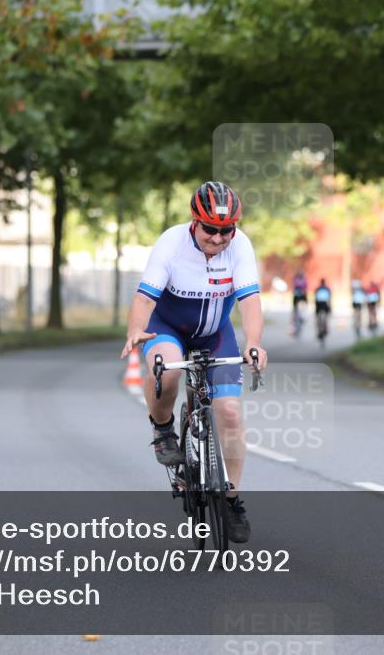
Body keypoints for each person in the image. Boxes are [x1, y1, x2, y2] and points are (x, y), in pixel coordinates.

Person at [120, 181, 267, 543]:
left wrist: (254, 343)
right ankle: (163, 428)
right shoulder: (172, 243)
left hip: (215, 333)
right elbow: (145, 298)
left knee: (229, 413)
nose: (218, 238)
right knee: (167, 372)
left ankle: (231, 502)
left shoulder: (240, 246)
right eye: (210, 229)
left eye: (226, 230)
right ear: (194, 222)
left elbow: (249, 301)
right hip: (167, 328)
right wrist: (136, 329)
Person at [314, 278, 331, 346]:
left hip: (320, 306)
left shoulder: (318, 289)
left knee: (320, 320)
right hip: (324, 306)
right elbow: (329, 299)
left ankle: (321, 330)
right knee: (324, 319)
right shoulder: (327, 289)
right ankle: (323, 330)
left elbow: (316, 299)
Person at [291, 270, 308, 336]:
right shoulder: (298, 280)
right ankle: (296, 319)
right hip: (298, 297)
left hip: (301, 296)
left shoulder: (300, 280)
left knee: (302, 308)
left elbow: (305, 287)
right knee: (296, 310)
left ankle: (301, 318)